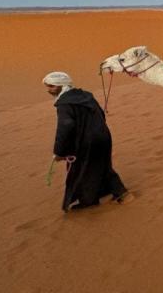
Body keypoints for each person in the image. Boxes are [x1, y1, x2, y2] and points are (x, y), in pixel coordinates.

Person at [43, 71, 130, 212]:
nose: (49, 90)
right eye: (48, 86)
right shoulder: (86, 96)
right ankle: (121, 193)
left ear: (61, 85)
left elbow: (65, 128)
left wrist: (58, 152)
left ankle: (89, 200)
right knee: (102, 165)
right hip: (103, 135)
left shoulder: (64, 104)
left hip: (88, 142)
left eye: (52, 86)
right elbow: (100, 113)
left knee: (82, 170)